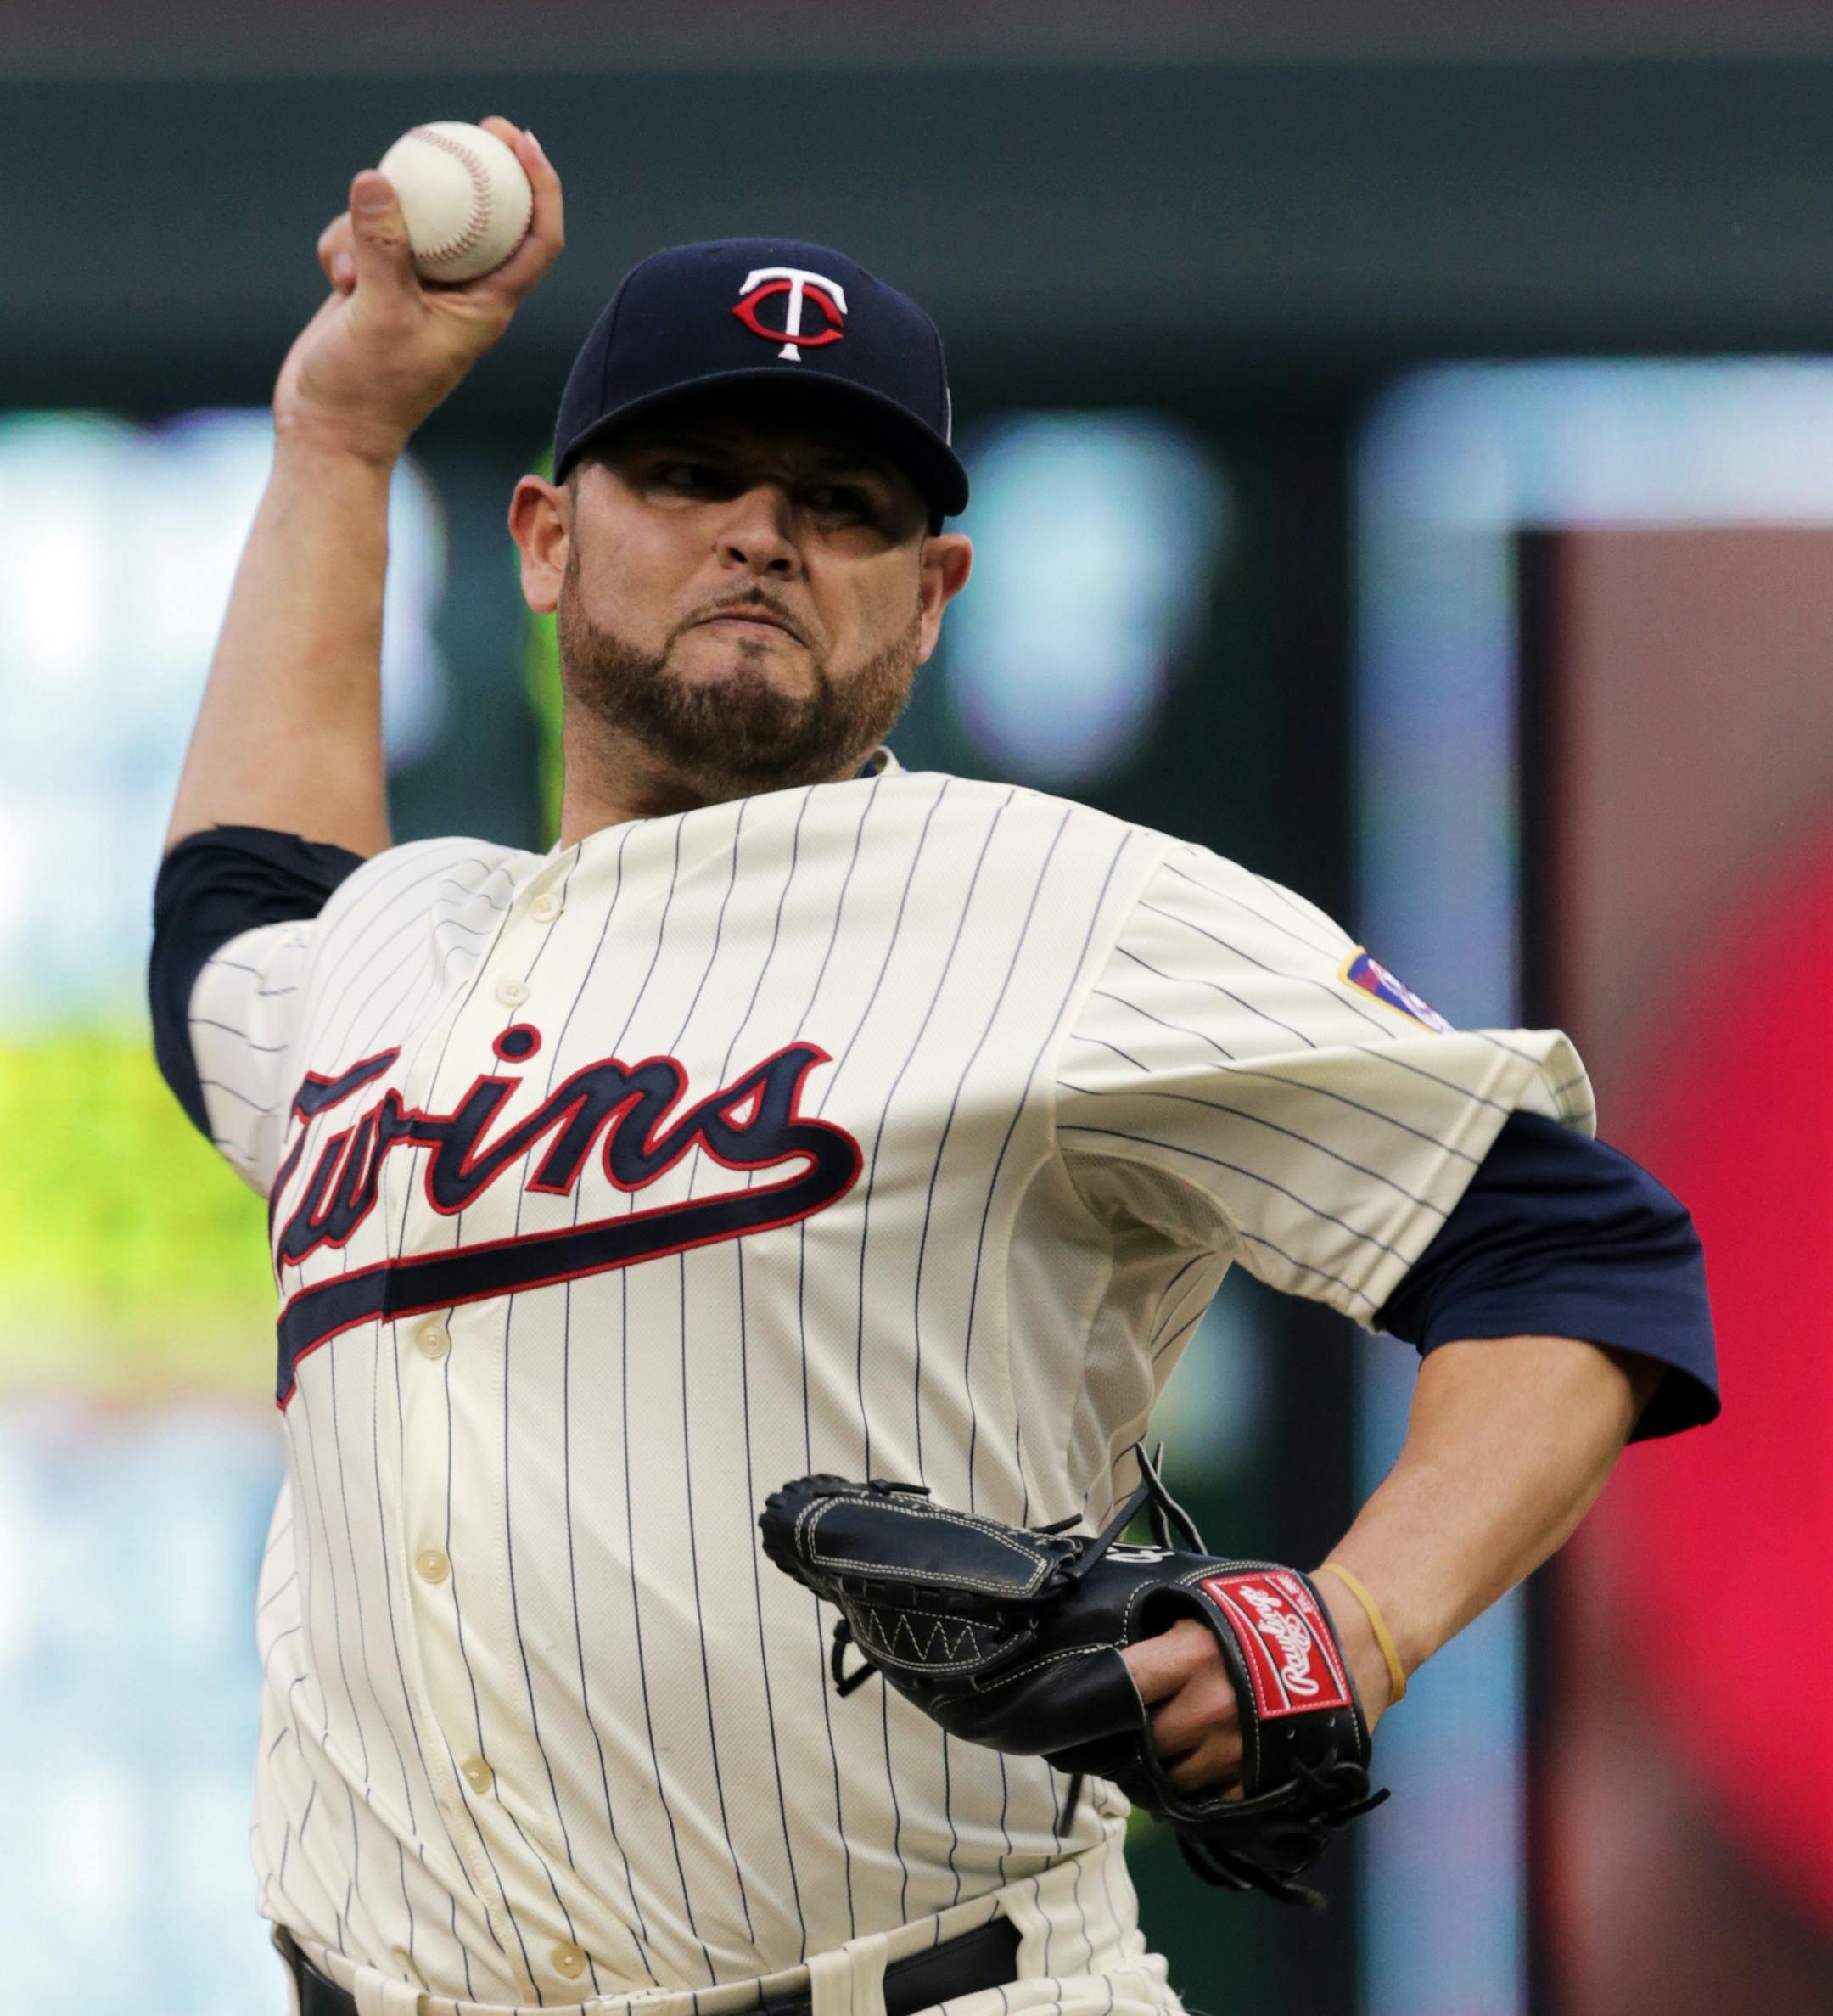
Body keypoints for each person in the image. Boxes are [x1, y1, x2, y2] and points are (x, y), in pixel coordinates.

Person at [148, 119, 1718, 2016]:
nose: (762, 531)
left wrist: (1354, 1623)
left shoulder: (1071, 908)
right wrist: (337, 438)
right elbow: (235, 914)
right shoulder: (395, 947)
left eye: (844, 501)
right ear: (548, 540)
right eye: (691, 472)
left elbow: (1576, 1249)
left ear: (934, 592)